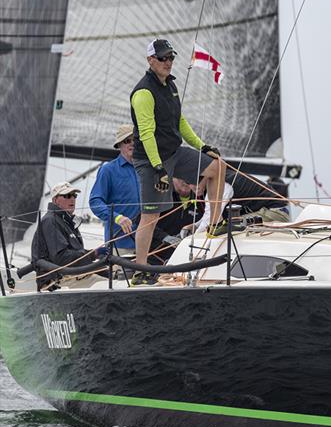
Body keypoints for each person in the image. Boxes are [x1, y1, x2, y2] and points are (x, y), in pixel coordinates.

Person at [129, 38, 225, 285]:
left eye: (171, 58)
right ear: (151, 60)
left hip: (173, 152)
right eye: (163, 58)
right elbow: (146, 133)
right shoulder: (143, 93)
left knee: (217, 166)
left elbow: (180, 123)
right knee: (151, 215)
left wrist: (202, 146)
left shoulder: (170, 86)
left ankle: (214, 224)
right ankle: (140, 269)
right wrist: (159, 168)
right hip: (151, 159)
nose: (168, 62)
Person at [31, 182, 104, 291]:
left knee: (116, 274)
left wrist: (96, 255)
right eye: (67, 196)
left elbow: (74, 255)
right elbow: (61, 258)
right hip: (57, 282)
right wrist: (93, 254)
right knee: (107, 284)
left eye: (74, 195)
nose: (72, 199)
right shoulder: (51, 221)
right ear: (55, 200)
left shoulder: (66, 221)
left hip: (73, 275)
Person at [89, 124, 140, 255]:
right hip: (120, 245)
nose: (132, 143)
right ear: (119, 145)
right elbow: (95, 202)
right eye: (127, 141)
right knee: (120, 276)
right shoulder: (108, 170)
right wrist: (117, 217)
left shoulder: (146, 170)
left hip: (147, 244)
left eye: (135, 139)